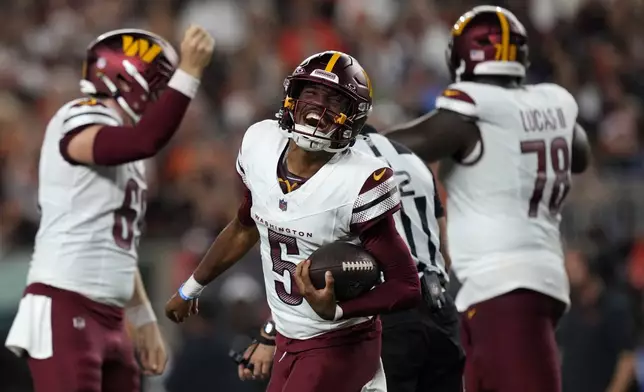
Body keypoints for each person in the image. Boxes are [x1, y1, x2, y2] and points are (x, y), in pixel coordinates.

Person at [165, 50, 421, 392]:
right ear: (292, 97)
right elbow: (245, 226)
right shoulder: (261, 143)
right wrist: (192, 287)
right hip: (290, 342)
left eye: (334, 99)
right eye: (311, 93)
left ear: (353, 115)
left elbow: (406, 285)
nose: (318, 106)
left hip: (341, 343)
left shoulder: (360, 178)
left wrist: (339, 310)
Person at [384, 6, 591, 392]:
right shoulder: (553, 103)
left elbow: (400, 146)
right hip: (519, 282)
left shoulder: (473, 110)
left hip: (503, 286)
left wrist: (354, 141)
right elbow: (580, 152)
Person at [4, 26, 215, 392]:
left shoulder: (127, 153)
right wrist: (190, 72)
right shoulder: (79, 114)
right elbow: (145, 139)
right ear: (127, 76)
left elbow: (116, 246)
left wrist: (144, 316)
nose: (162, 93)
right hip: (65, 303)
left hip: (112, 316)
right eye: (159, 82)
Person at [237, 124, 465, 391]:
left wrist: (268, 335)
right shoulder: (413, 160)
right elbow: (444, 253)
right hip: (441, 311)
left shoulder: (339, 168)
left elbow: (313, 262)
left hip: (386, 311)